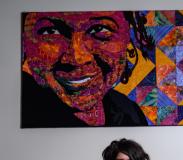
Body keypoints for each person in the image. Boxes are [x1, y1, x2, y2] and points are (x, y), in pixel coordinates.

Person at [21, 11, 152, 127]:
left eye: (99, 29)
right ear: (25, 43)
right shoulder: (19, 111)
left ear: (127, 39)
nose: (78, 58)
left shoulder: (129, 111)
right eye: (51, 32)